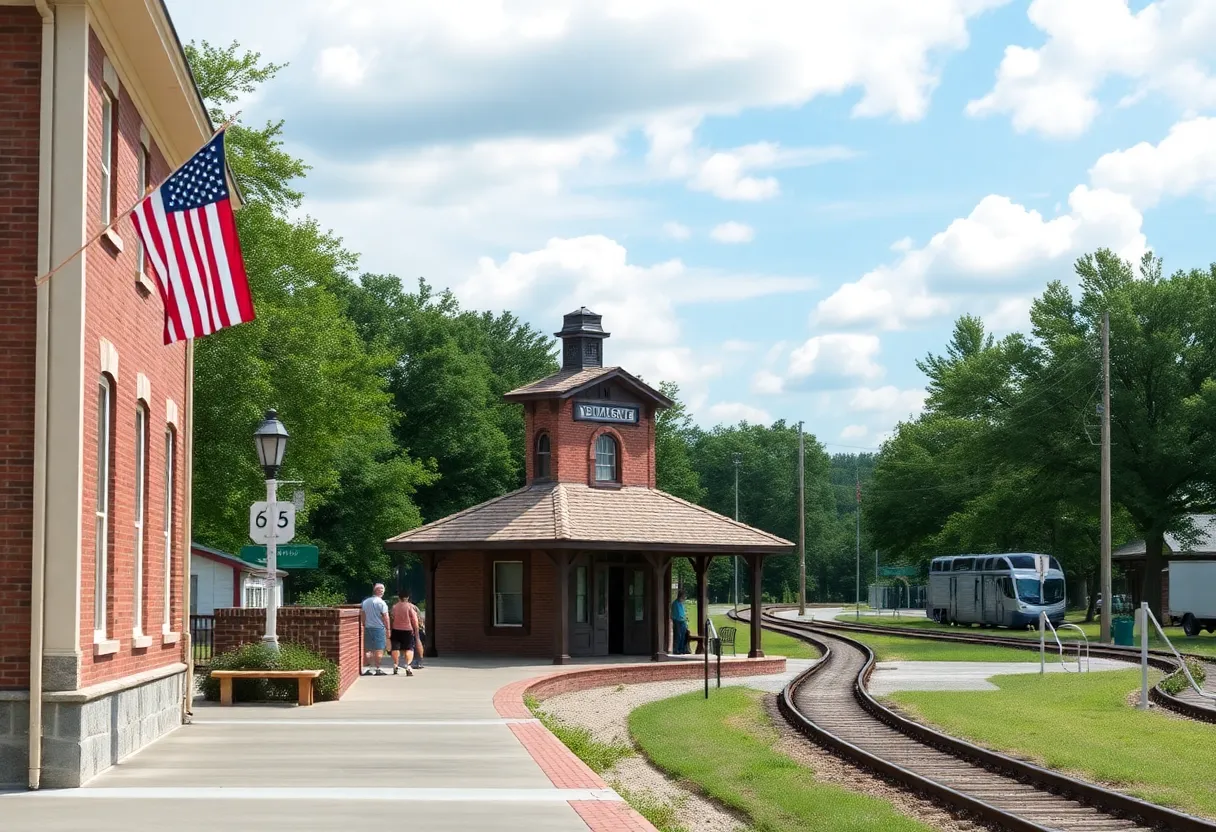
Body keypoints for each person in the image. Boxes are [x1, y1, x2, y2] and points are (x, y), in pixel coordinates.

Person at [361, 583, 390, 676]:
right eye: (381, 589)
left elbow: (363, 615)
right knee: (379, 649)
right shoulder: (382, 603)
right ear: (377, 591)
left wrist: (364, 624)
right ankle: (378, 668)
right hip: (379, 628)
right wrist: (388, 629)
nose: (382, 590)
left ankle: (368, 668)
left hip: (368, 628)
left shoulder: (365, 602)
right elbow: (386, 617)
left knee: (368, 649)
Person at [390, 592, 420, 676]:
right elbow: (414, 620)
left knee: (395, 647)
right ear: (407, 597)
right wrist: (416, 630)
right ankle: (408, 666)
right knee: (409, 648)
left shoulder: (394, 607)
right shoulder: (410, 606)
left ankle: (395, 664)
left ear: (399, 598)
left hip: (396, 629)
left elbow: (391, 618)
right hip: (407, 630)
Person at [671, 588, 689, 655]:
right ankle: (676, 649)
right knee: (678, 635)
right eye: (683, 596)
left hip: (682, 621)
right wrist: (683, 618)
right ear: (680, 596)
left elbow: (683, 612)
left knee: (684, 635)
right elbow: (677, 614)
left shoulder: (681, 603)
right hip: (677, 621)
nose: (684, 598)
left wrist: (685, 618)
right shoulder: (675, 604)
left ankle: (682, 649)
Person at [410, 597, 426, 669]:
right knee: (416, 643)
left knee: (414, 644)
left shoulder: (411, 607)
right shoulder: (415, 608)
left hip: (413, 628)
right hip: (417, 628)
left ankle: (416, 661)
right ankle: (419, 661)